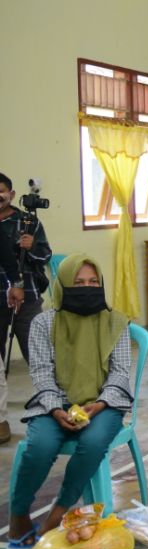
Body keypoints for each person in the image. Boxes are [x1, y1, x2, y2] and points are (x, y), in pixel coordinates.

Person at [6, 254, 131, 549]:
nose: (87, 288)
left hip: (104, 403)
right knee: (40, 446)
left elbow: (120, 372)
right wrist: (56, 409)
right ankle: (19, 516)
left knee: (94, 441)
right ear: (62, 286)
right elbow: (41, 373)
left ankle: (60, 509)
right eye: (78, 283)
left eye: (92, 282)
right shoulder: (43, 323)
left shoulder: (116, 321)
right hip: (55, 404)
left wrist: (100, 404)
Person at [0, 172, 53, 445]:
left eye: (2, 191)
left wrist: (32, 248)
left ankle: (52, 406)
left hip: (27, 295)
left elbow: (46, 255)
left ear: (10, 193)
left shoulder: (27, 221)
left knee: (38, 353)